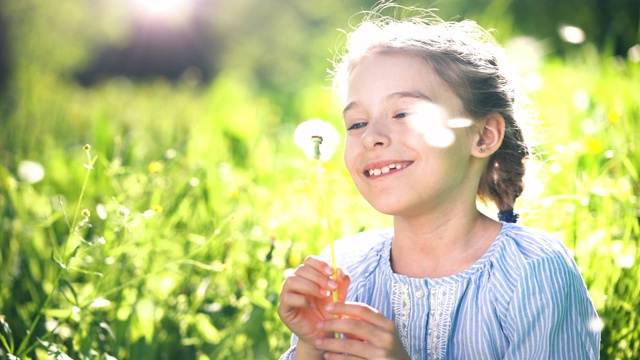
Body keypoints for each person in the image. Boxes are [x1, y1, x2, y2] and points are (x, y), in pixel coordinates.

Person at [277, 4, 601, 359]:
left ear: (483, 135)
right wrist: (312, 342)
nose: (371, 137)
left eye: (404, 113)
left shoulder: (533, 272)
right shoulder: (346, 271)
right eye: (357, 123)